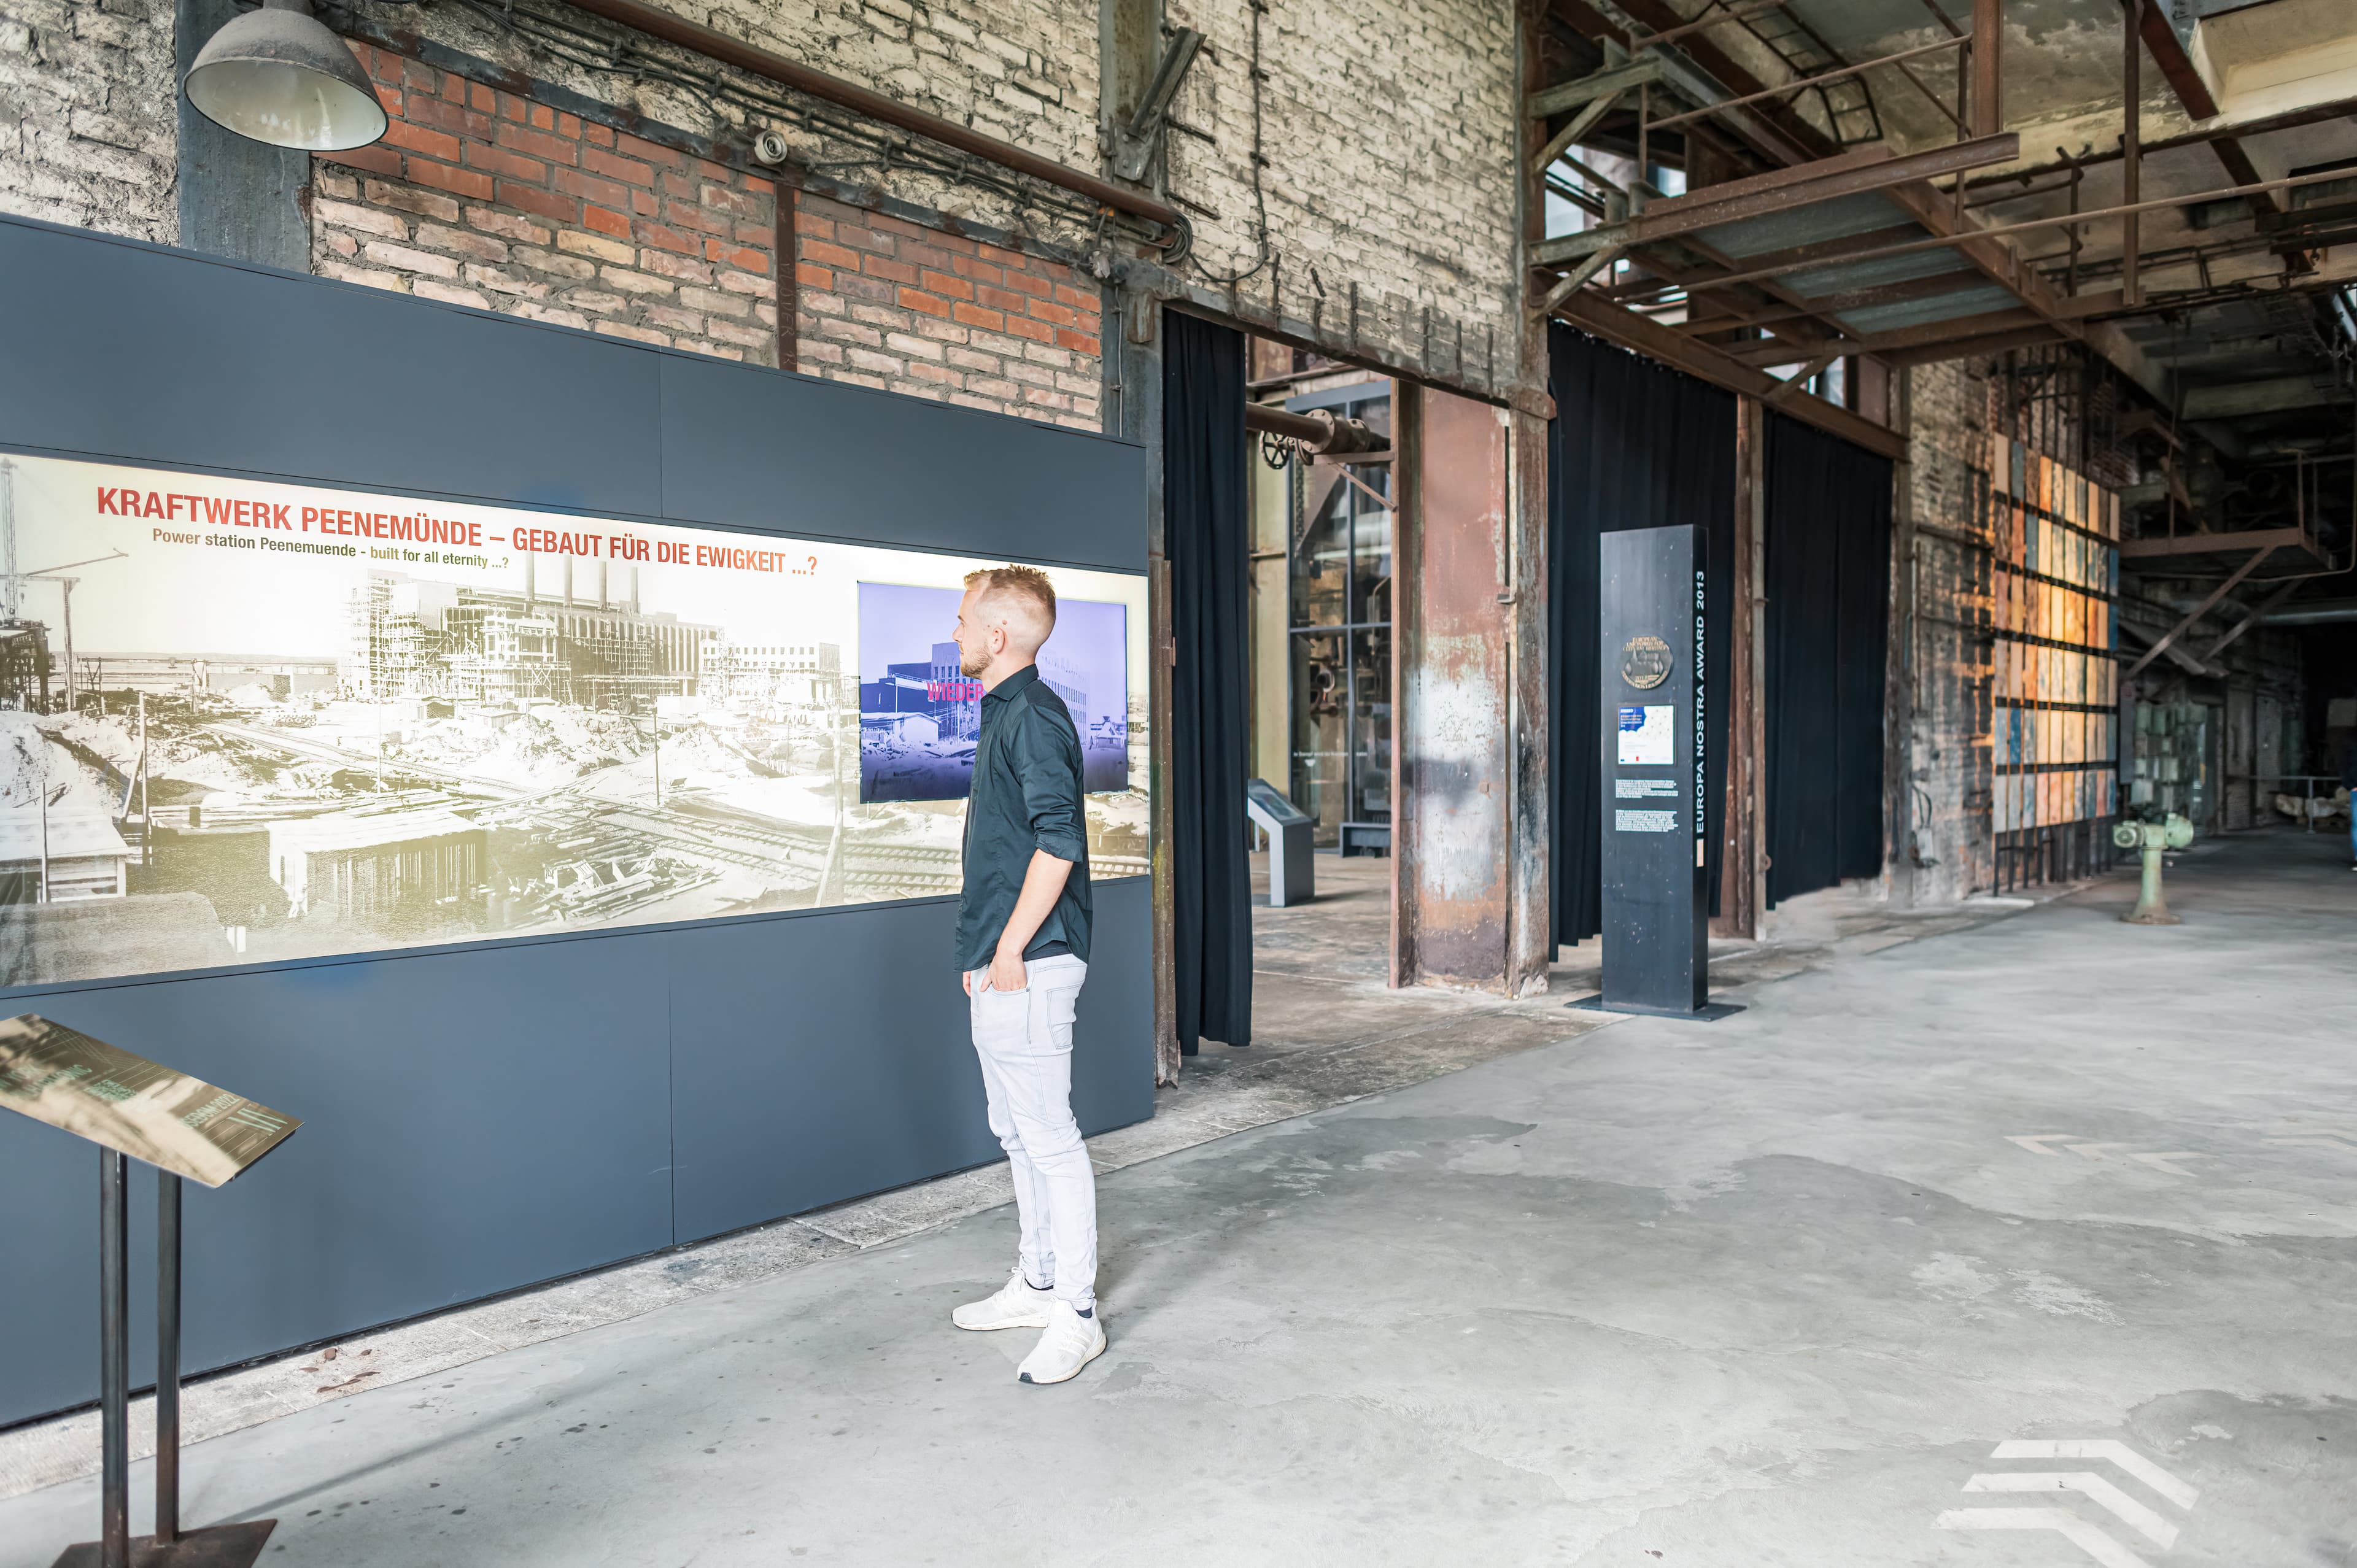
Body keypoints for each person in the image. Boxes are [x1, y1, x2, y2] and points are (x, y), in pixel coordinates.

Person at [945, 564, 1105, 1385]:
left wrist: (1007, 951)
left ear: (998, 635)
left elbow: (1058, 843)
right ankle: (1038, 1283)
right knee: (1018, 1135)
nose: (957, 632)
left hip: (1032, 965)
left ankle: (1076, 1313)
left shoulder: (1034, 717)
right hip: (1004, 964)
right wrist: (985, 955)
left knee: (1050, 1140)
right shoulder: (1007, 711)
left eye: (964, 620)